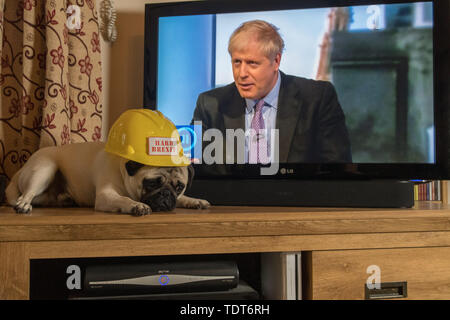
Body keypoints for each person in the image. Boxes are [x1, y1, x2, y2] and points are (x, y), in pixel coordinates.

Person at [191, 20, 352, 164]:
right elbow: (190, 169)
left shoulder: (317, 98)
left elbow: (336, 170)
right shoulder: (210, 105)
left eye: (252, 63)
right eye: (237, 62)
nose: (242, 73)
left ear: (276, 61)